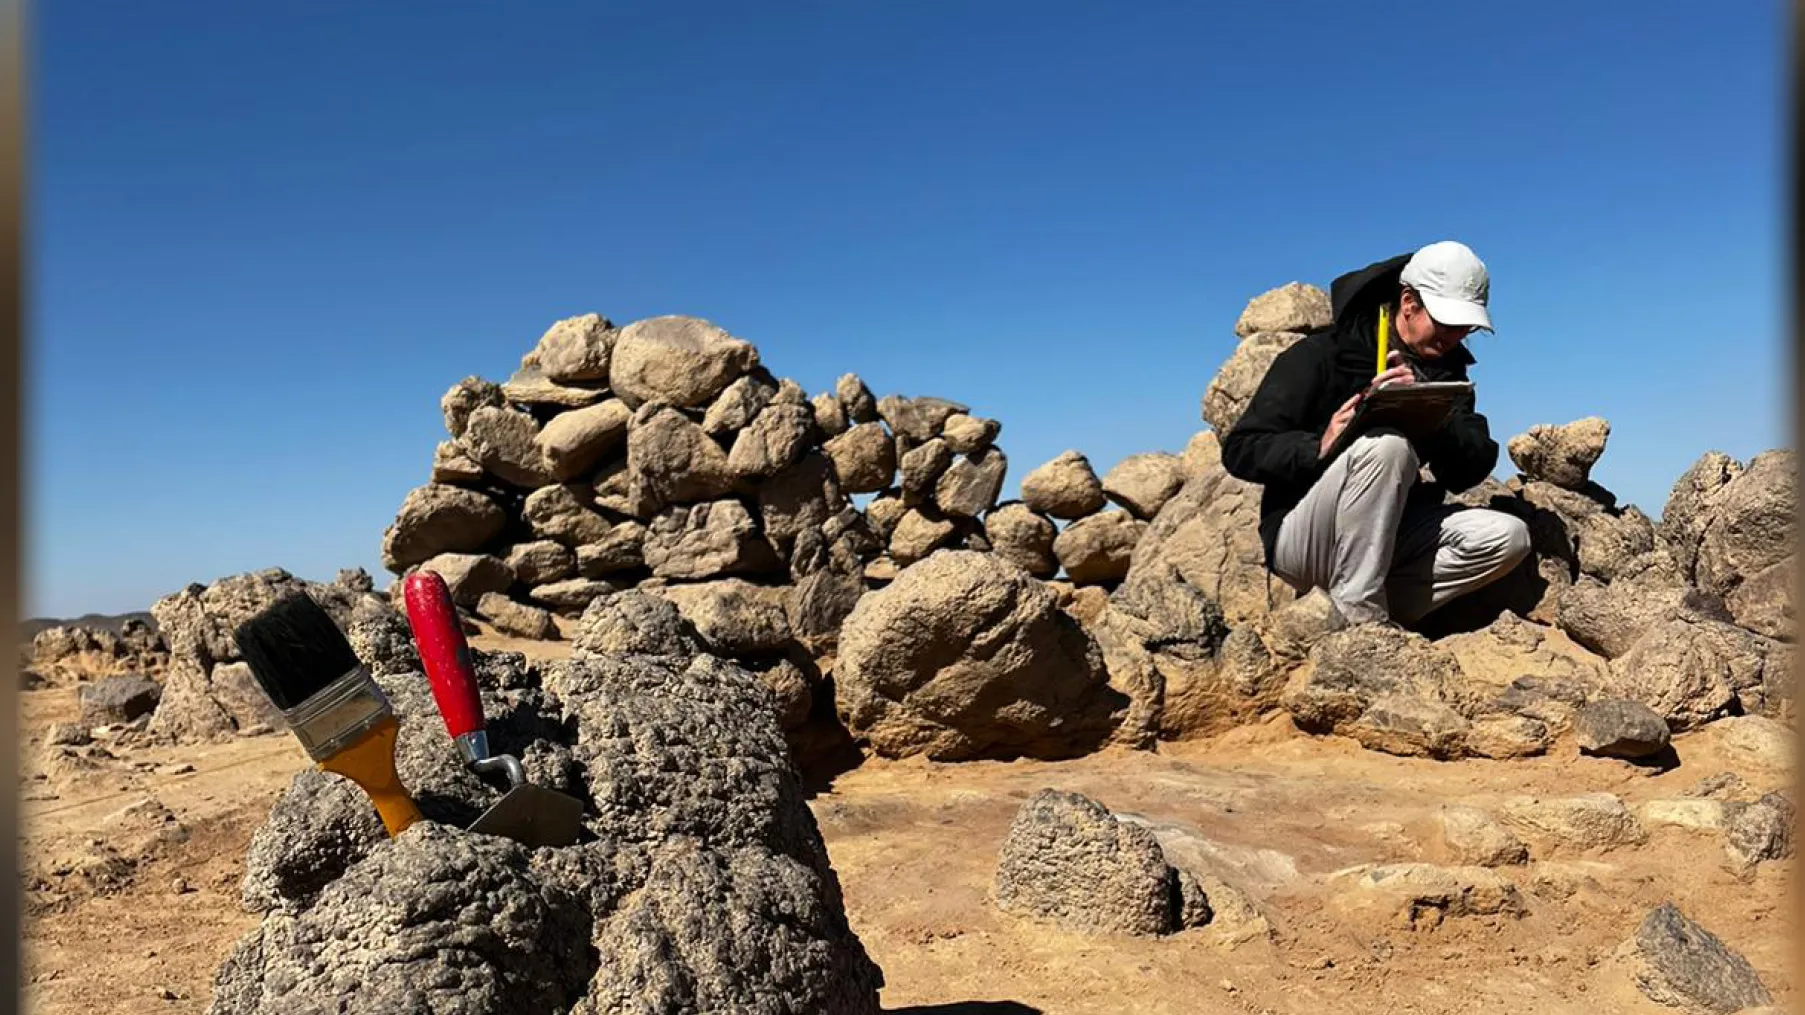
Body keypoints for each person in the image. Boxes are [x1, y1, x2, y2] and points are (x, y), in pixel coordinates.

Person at [1221, 240, 1532, 627]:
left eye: (1465, 327)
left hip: (1390, 535)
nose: (1455, 336)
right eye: (1447, 323)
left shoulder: (1446, 372)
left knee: (1507, 537)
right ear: (1408, 303)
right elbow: (1240, 449)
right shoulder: (1321, 354)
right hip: (1303, 539)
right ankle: (1361, 622)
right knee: (1388, 448)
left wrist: (1431, 409)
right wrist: (1320, 443)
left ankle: (1344, 615)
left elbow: (1468, 470)